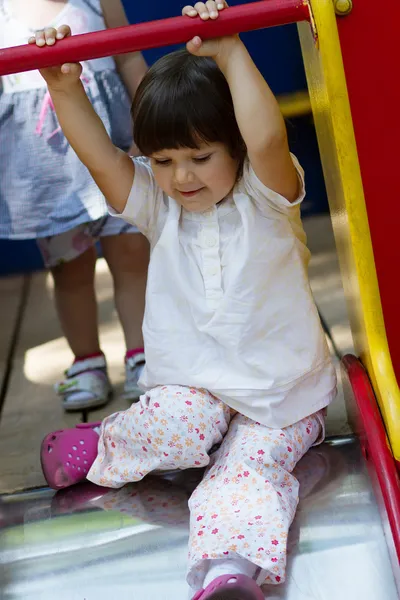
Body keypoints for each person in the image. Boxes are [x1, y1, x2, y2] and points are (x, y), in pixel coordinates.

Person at [37, 2, 337, 598]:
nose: (182, 178)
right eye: (165, 160)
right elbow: (102, 158)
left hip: (280, 397)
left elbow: (269, 133)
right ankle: (106, 443)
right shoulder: (159, 206)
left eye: (201, 157)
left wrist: (228, 50)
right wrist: (64, 88)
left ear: (236, 148)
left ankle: (229, 570)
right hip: (193, 387)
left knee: (248, 469)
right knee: (180, 427)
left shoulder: (268, 197)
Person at [0, 0, 149, 411]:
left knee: (133, 253)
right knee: (69, 270)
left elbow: (130, 55)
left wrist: (151, 119)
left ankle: (142, 354)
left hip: (116, 146)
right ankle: (86, 362)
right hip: (47, 174)